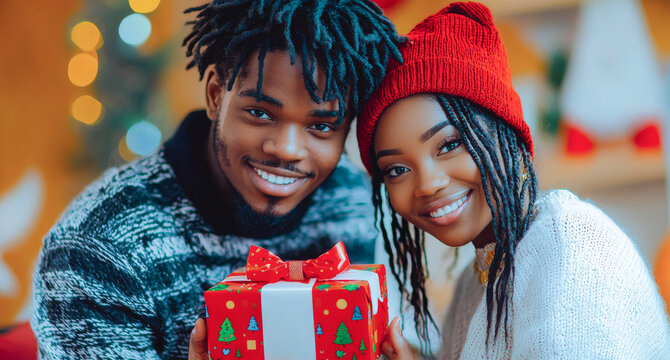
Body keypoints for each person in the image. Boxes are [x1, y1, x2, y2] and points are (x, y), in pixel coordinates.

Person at [31, 1, 404, 359]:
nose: (287, 150)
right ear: (214, 95)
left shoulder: (350, 200)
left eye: (321, 125)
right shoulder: (99, 248)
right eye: (260, 112)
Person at [356, 2, 670, 359]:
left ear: (506, 131)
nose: (427, 184)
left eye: (450, 144)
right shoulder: (476, 280)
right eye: (396, 169)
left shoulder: (568, 247)